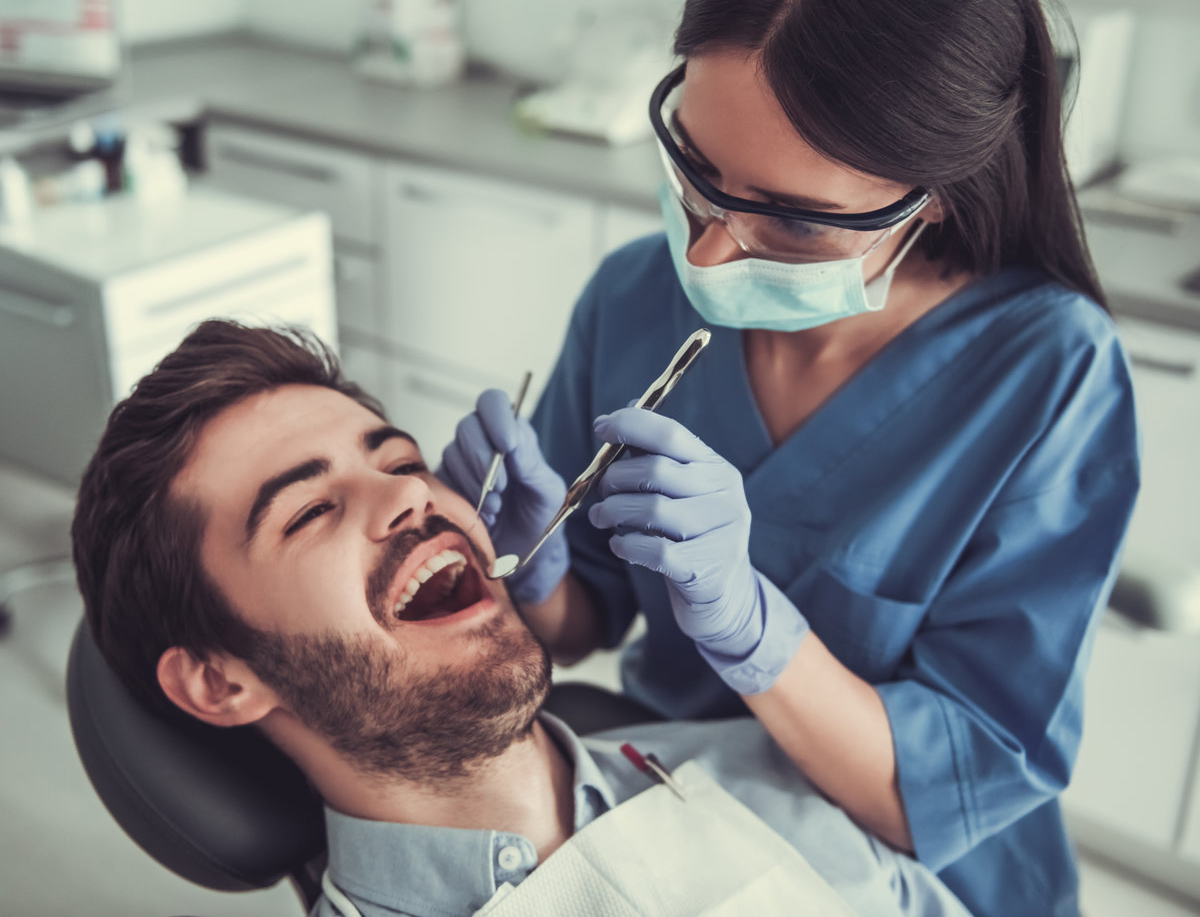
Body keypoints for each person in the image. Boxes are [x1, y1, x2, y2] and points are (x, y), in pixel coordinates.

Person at [435, 0, 1141, 916]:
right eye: (696, 167)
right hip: (678, 813)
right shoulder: (634, 294)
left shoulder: (1048, 374)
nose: (709, 257)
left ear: (931, 201)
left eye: (793, 220)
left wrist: (754, 629)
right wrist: (535, 567)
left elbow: (947, 791)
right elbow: (589, 612)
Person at [70, 319, 973, 917]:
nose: (404, 498)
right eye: (307, 511)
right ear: (221, 681)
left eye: (399, 459)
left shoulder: (767, 776)